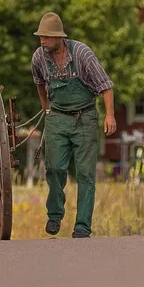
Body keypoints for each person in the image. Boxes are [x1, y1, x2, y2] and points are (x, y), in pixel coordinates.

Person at [31, 12, 116, 239]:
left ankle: (82, 226)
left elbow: (106, 86)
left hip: (84, 118)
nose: (42, 41)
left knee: (86, 174)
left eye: (47, 37)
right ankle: (55, 214)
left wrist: (110, 116)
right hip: (57, 117)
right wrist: (47, 108)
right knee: (55, 168)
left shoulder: (82, 54)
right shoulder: (39, 57)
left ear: (59, 37)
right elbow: (39, 83)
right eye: (41, 36)